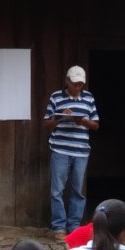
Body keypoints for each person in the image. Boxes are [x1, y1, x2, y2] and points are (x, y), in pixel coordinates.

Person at [42, 65, 99, 240]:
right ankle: (59, 227)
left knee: (78, 191)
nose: (77, 87)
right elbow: (46, 124)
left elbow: (96, 124)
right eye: (74, 84)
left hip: (81, 151)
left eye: (80, 84)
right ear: (67, 81)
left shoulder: (88, 98)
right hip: (60, 148)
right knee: (57, 190)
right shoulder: (56, 97)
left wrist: (82, 121)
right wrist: (59, 117)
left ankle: (74, 225)